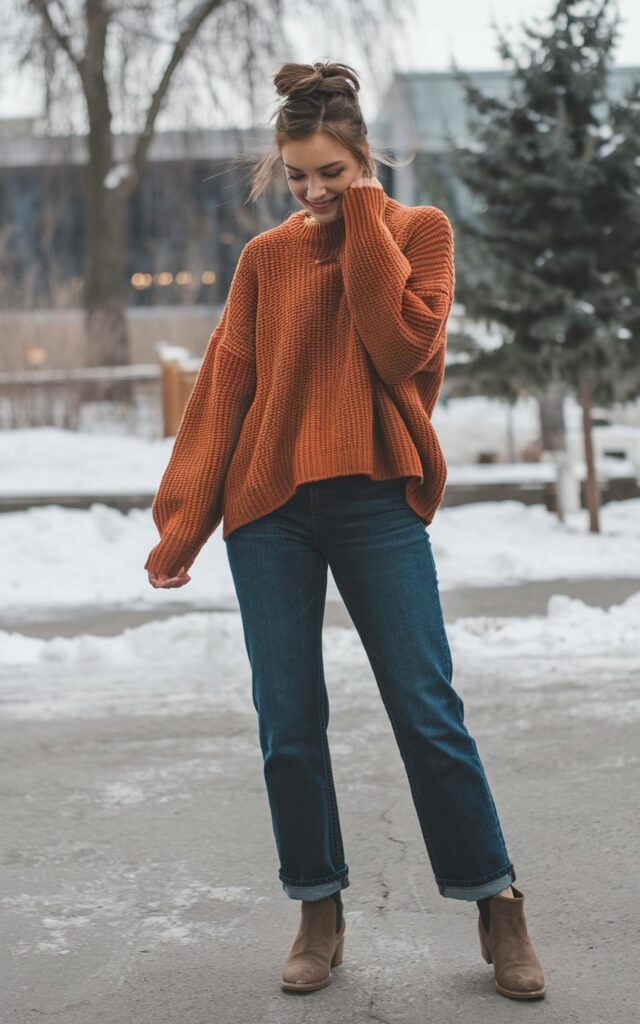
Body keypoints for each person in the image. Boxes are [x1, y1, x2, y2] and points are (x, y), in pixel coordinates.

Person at [145, 59, 546, 1001]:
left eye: (331, 172)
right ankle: (316, 907)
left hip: (375, 500)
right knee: (288, 721)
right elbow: (226, 388)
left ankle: (497, 902)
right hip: (269, 510)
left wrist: (364, 217)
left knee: (426, 708)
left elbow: (399, 346)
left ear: (364, 156)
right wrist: (184, 522)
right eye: (298, 176)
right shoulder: (265, 259)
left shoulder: (419, 231)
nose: (314, 191)